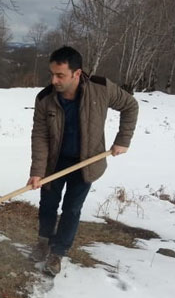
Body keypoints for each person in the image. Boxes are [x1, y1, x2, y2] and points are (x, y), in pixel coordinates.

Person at [28, 46, 138, 276]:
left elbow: (130, 106)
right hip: (54, 162)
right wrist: (37, 171)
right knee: (48, 205)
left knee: (72, 209)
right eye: (52, 74)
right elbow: (40, 135)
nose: (54, 80)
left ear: (77, 73)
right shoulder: (45, 98)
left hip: (86, 162)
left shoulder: (101, 88)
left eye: (60, 75)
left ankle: (58, 253)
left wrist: (123, 139)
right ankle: (43, 242)